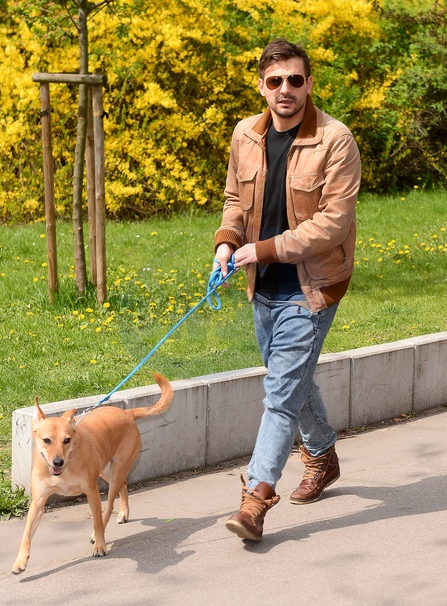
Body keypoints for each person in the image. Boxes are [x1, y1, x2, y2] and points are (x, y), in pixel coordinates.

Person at [213, 38, 361, 542]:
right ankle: (322, 453)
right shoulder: (245, 134)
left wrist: (265, 249)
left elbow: (334, 222)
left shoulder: (335, 140)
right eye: (275, 80)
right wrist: (227, 243)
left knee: (279, 395)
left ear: (309, 84)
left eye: (295, 79)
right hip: (261, 285)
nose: (285, 89)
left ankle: (255, 500)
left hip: (312, 286)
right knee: (291, 381)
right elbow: (235, 199)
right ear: (261, 86)